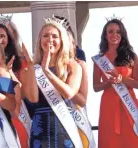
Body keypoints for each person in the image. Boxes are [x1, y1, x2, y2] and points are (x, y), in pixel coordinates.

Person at [28, 15, 83, 148]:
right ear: (40, 40)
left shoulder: (72, 66)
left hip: (64, 128)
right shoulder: (33, 68)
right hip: (40, 128)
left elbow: (69, 93)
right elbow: (33, 98)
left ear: (62, 40)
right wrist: (36, 69)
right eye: (45, 36)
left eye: (54, 36)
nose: (50, 40)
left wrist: (47, 72)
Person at [93, 18, 138, 148]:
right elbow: (96, 87)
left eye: (118, 32)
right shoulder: (99, 59)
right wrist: (108, 83)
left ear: (122, 35)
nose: (114, 35)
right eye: (110, 32)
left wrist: (122, 79)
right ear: (105, 35)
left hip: (129, 104)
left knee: (132, 140)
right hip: (109, 105)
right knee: (110, 141)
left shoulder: (131, 56)